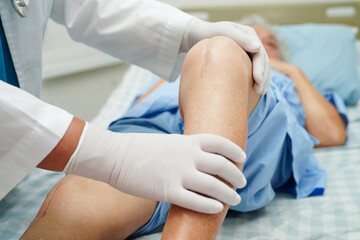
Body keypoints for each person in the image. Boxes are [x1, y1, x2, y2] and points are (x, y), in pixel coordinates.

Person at [20, 26, 347, 239]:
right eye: (247, 37)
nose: (253, 44)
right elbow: (136, 113)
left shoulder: (286, 80)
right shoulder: (176, 74)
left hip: (253, 134)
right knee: (76, 201)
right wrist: (195, 78)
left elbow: (332, 132)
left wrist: (287, 69)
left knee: (218, 52)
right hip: (158, 134)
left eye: (266, 42)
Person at [0, 0, 272, 214]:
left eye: (271, 40)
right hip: (146, 132)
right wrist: (118, 154)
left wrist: (188, 31)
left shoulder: (281, 76)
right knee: (79, 201)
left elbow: (92, 5)